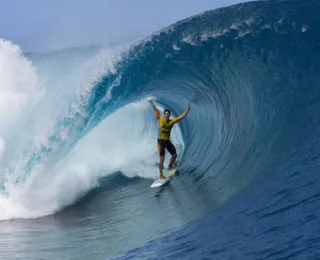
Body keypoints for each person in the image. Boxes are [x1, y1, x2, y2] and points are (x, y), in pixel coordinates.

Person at [147, 98, 191, 179]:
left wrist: (187, 110)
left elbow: (181, 116)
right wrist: (151, 102)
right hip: (160, 142)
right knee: (162, 158)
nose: (167, 115)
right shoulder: (160, 119)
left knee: (174, 155)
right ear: (164, 114)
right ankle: (161, 175)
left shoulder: (172, 121)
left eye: (168, 114)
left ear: (169, 115)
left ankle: (170, 166)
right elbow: (155, 109)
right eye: (165, 114)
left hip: (167, 141)